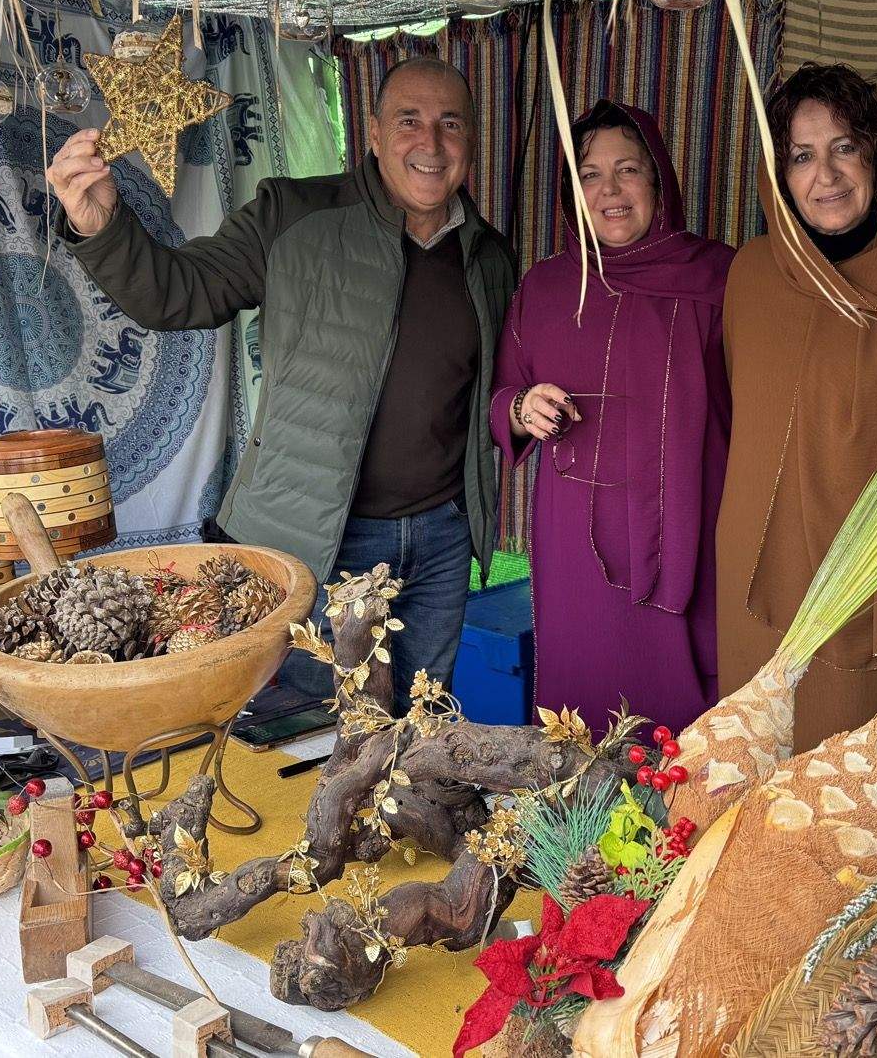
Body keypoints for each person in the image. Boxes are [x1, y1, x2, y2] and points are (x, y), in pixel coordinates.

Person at [46, 57, 518, 707]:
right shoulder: (292, 214)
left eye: (450, 124)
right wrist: (104, 228)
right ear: (374, 133)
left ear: (472, 141)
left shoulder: (488, 255)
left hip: (438, 541)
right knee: (312, 729)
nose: (430, 144)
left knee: (418, 725)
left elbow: (496, 386)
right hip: (320, 536)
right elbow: (180, 293)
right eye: (409, 121)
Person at [716, 63, 877, 761]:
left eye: (844, 146)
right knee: (764, 765)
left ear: (876, 158)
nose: (825, 173)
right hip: (761, 573)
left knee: (868, 773)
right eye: (800, 155)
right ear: (777, 174)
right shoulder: (753, 276)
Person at [491, 101, 734, 731]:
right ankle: (584, 824)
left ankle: (694, 824)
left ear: (658, 182)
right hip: (576, 547)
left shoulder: (720, 277)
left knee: (695, 710)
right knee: (586, 707)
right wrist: (522, 408)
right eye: (590, 176)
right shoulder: (544, 289)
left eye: (628, 170)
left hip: (695, 526)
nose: (610, 190)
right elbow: (500, 398)